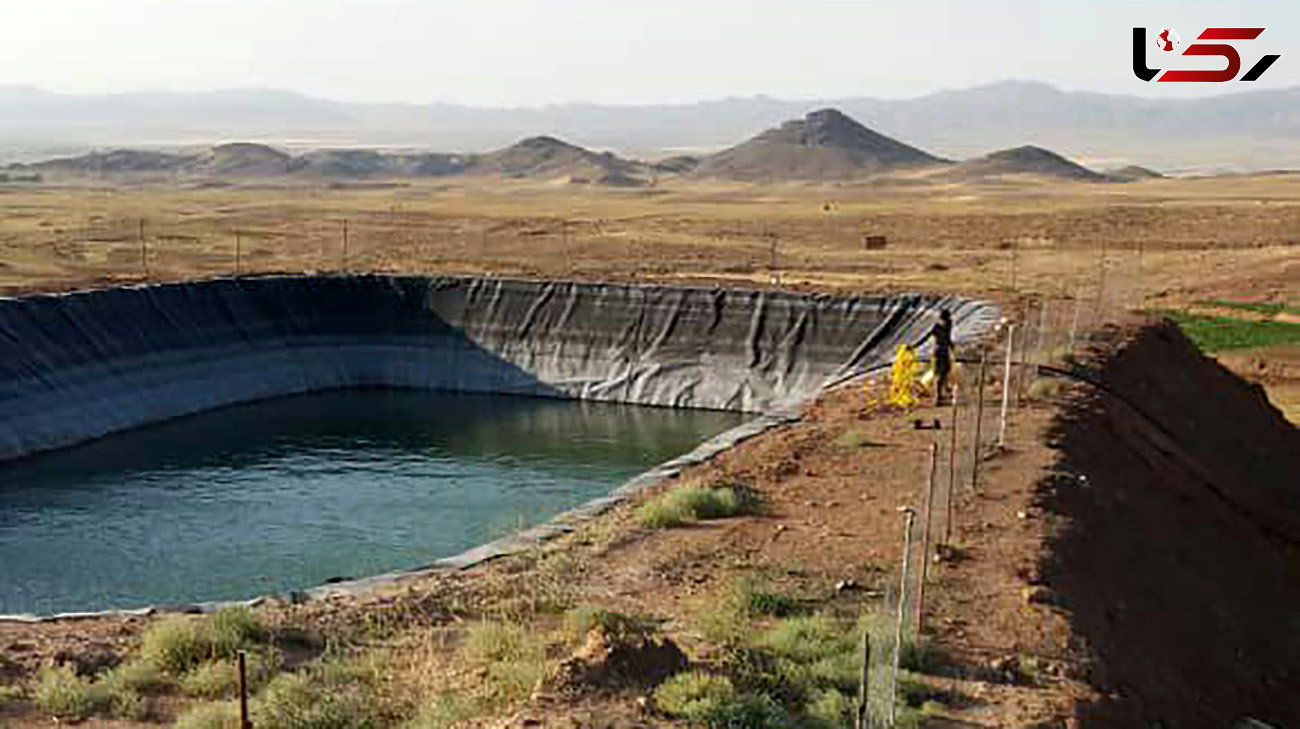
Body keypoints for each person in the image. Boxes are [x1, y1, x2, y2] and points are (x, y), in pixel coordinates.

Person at [924, 310, 954, 405]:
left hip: (944, 351)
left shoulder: (948, 325)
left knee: (946, 371)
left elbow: (948, 338)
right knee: (939, 375)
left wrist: (951, 347)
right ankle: (937, 397)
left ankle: (943, 392)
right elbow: (925, 336)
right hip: (939, 352)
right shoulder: (936, 327)